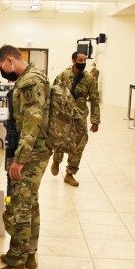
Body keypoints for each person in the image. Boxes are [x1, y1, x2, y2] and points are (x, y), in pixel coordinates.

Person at [0, 44, 50, 269]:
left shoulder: (29, 82)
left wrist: (20, 160)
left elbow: (32, 122)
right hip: (37, 152)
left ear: (10, 60)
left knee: (19, 208)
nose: (2, 71)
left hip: (30, 155)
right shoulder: (36, 75)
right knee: (30, 203)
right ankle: (29, 253)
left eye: (1, 67)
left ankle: (16, 264)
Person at [50, 51, 100, 186]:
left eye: (84, 60)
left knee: (79, 144)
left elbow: (95, 99)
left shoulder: (89, 78)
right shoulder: (63, 75)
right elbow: (53, 94)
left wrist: (95, 121)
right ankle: (56, 160)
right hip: (64, 116)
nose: (83, 63)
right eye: (80, 60)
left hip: (80, 117)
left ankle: (70, 173)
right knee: (61, 141)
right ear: (73, 61)